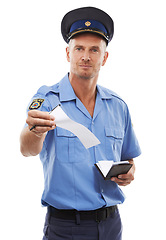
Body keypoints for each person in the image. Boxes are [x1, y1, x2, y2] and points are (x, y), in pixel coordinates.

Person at [20, 6, 141, 240]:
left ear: (104, 57)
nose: (86, 56)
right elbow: (27, 149)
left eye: (94, 50)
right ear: (68, 53)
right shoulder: (47, 100)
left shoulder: (118, 106)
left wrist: (129, 172)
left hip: (111, 225)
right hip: (66, 228)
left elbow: (129, 158)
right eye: (79, 49)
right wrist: (34, 131)